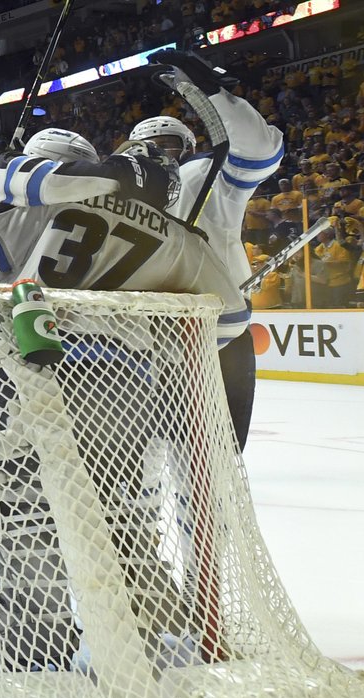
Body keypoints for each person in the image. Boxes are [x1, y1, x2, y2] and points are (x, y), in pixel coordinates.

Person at [0, 128, 227, 671]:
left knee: (7, 505)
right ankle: (137, 627)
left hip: (24, 374)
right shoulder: (164, 221)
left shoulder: (11, 211)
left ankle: (23, 630)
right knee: (115, 509)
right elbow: (227, 318)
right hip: (110, 386)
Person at [129, 49, 284, 450]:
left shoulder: (206, 174)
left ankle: (211, 514)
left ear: (188, 147)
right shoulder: (115, 194)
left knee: (219, 457)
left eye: (169, 145)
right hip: (142, 339)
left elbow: (260, 150)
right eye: (150, 147)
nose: (160, 155)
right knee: (147, 458)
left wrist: (215, 96)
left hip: (220, 333)